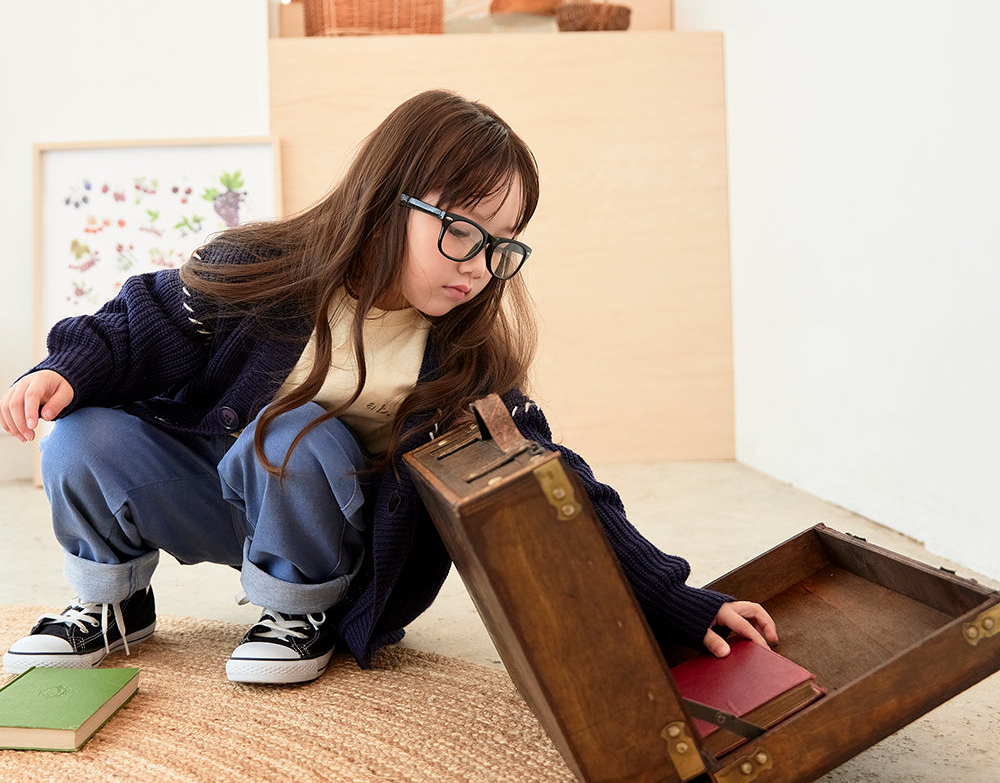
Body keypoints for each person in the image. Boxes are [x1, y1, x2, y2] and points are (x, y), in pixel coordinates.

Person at [0, 89, 777, 685]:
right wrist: (61, 369)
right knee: (82, 432)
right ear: (387, 201)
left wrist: (674, 598)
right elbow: (142, 320)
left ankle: (296, 617)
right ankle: (112, 601)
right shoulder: (264, 271)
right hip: (224, 498)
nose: (476, 264)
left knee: (292, 431)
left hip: (334, 544)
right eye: (460, 230)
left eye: (499, 246)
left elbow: (555, 485)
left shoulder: (463, 363)